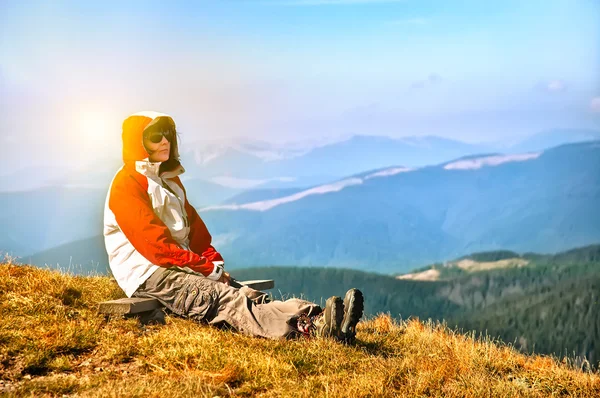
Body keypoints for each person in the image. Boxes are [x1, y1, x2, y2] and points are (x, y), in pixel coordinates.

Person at [103, 111, 364, 341]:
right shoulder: (126, 184)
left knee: (249, 294)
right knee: (227, 300)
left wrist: (212, 262)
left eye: (168, 134)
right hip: (149, 275)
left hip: (179, 266)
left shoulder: (168, 180)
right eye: (155, 136)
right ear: (138, 143)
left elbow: (195, 234)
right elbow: (156, 247)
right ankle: (312, 330)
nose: (164, 141)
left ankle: (321, 317)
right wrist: (208, 270)